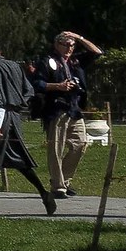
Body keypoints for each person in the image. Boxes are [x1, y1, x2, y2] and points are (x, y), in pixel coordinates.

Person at [0, 40, 57, 216]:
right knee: (18, 159)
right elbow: (29, 90)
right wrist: (18, 104)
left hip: (0, 118)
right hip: (15, 117)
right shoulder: (15, 66)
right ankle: (44, 193)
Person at [34, 29, 102, 197]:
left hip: (74, 108)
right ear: (57, 45)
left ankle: (63, 180)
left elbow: (97, 52)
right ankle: (58, 187)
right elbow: (37, 83)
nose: (69, 48)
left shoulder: (76, 61)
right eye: (66, 45)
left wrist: (79, 37)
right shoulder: (47, 61)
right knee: (56, 148)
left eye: (72, 45)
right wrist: (58, 86)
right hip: (56, 108)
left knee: (80, 144)